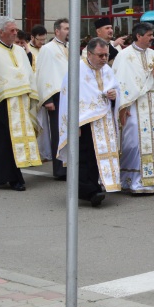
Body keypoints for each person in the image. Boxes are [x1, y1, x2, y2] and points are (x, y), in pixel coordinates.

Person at [0, 18, 42, 191]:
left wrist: (31, 93)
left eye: (16, 30)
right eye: (11, 30)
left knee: (11, 142)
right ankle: (15, 178)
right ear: (1, 32)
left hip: (21, 103)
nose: (15, 33)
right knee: (3, 142)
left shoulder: (19, 51)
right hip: (0, 104)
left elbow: (28, 74)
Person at [57, 38, 122, 207]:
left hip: (104, 121)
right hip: (84, 123)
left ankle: (97, 185)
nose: (104, 59)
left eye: (106, 55)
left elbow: (116, 89)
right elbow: (67, 98)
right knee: (84, 157)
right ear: (90, 53)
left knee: (97, 157)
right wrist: (74, 124)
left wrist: (115, 96)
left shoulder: (107, 70)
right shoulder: (77, 70)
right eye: (100, 55)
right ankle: (89, 191)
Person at [113, 22, 154, 194]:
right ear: (138, 36)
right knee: (133, 142)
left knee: (152, 142)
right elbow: (119, 82)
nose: (152, 38)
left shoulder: (153, 55)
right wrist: (123, 106)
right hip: (133, 105)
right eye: (149, 35)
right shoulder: (125, 56)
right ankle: (129, 180)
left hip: (151, 102)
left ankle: (150, 181)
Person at [35, 18, 70, 179]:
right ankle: (60, 169)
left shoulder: (69, 46)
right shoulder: (47, 49)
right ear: (57, 31)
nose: (69, 31)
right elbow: (42, 73)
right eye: (66, 28)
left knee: (71, 132)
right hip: (55, 96)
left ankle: (71, 165)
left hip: (70, 94)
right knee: (58, 133)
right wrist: (47, 99)